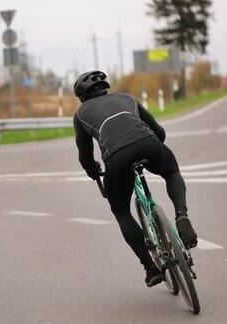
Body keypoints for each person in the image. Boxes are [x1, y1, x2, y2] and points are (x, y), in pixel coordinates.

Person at [72, 70, 198, 287]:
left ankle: (151, 269)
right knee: (171, 172)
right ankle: (181, 215)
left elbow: (85, 156)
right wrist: (154, 148)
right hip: (148, 142)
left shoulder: (81, 114)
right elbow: (159, 131)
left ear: (82, 97)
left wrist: (94, 172)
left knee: (121, 211)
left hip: (116, 157)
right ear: (106, 88)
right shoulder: (126, 98)